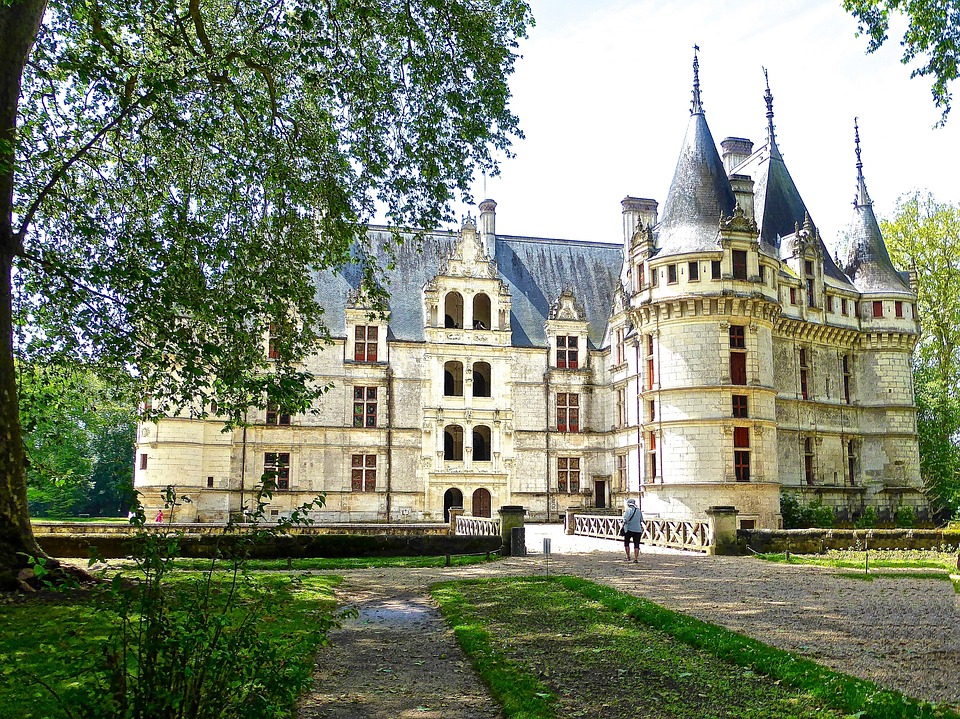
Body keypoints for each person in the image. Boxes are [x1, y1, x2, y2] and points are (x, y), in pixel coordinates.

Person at [622, 498, 643, 563]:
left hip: (629, 529)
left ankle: (628, 557)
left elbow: (625, 520)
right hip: (638, 530)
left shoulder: (628, 510)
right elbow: (641, 519)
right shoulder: (639, 510)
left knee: (627, 543)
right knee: (636, 544)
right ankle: (636, 559)